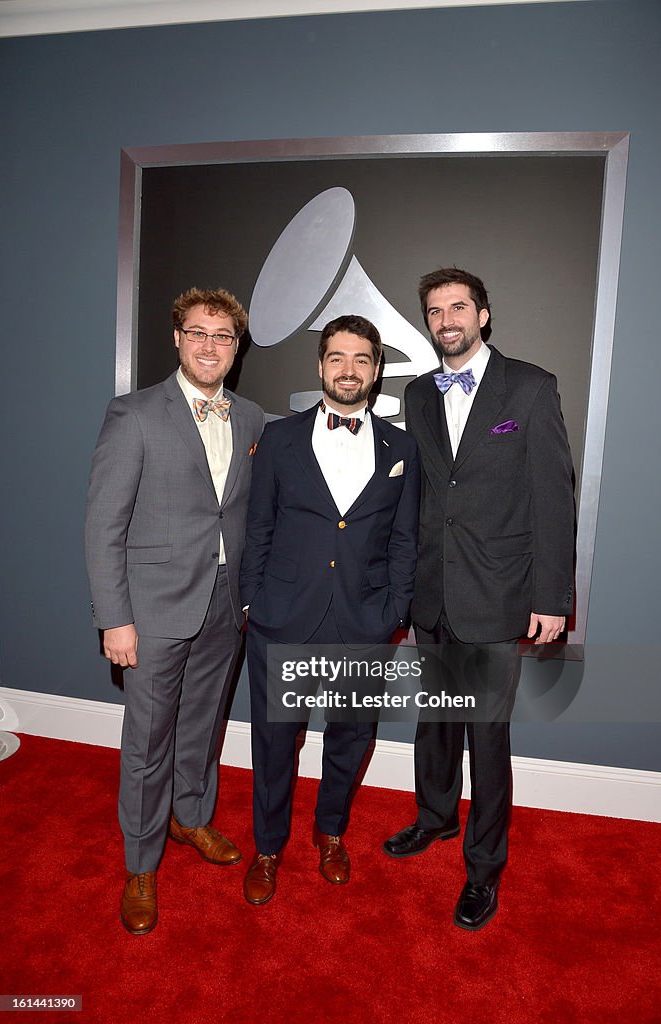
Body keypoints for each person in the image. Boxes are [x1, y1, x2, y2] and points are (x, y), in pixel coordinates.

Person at [384, 268, 575, 931]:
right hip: (434, 594)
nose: (447, 320)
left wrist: (552, 597)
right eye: (435, 311)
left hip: (497, 596)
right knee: (434, 725)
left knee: (485, 740)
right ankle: (434, 820)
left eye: (458, 307)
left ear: (484, 315)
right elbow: (425, 498)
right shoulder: (416, 393)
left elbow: (554, 499)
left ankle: (484, 870)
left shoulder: (530, 387)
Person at [85, 287, 265, 935]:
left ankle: (191, 818)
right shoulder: (133, 415)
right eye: (199, 332)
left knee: (201, 728)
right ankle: (141, 862)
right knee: (147, 742)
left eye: (223, 336)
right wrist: (115, 617)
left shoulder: (252, 419)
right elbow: (103, 525)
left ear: (236, 347)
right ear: (177, 337)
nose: (210, 345)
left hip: (225, 606)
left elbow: (247, 515)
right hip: (152, 610)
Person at [239, 314, 419, 905]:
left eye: (362, 360)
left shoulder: (401, 447)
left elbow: (403, 539)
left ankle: (331, 832)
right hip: (284, 616)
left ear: (376, 371)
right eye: (337, 358)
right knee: (273, 742)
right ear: (320, 366)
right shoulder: (280, 438)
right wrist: (252, 601)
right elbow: (258, 526)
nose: (349, 370)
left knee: (349, 738)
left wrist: (393, 612)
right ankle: (268, 846)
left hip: (363, 622)